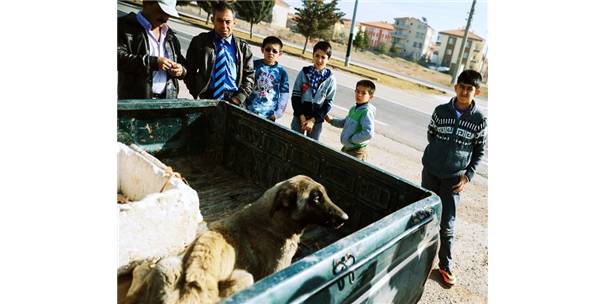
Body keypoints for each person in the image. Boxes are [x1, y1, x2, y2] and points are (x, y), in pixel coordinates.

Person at [421, 69, 487, 286]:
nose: (465, 92)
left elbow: (479, 151)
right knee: (425, 216)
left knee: (447, 225)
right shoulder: (440, 111)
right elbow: (431, 134)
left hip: (453, 180)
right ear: (456, 87)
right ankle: (421, 257)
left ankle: (445, 264)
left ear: (476, 92)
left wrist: (467, 176)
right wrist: (437, 155)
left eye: (470, 89)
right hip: (431, 173)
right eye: (462, 87)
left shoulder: (479, 120)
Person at [184, 1, 254, 106]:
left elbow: (250, 76)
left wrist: (239, 98)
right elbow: (189, 70)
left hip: (233, 100)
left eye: (228, 21)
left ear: (234, 22)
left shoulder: (243, 48)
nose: (224, 26)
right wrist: (196, 90)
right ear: (213, 20)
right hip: (207, 97)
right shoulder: (200, 42)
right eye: (220, 21)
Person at [118, 0, 186, 99]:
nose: (165, 17)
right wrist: (153, 62)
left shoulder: (170, 35)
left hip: (166, 103)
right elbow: (119, 58)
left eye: (168, 13)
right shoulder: (123, 26)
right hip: (135, 103)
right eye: (161, 11)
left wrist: (181, 70)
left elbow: (181, 62)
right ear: (146, 3)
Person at [290, 41, 337, 140]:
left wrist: (313, 120)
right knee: (294, 143)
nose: (319, 60)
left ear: (328, 59)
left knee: (311, 148)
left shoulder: (331, 79)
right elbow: (295, 96)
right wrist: (301, 116)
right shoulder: (304, 73)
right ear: (313, 56)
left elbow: (328, 104)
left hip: (316, 121)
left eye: (323, 57)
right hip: (299, 117)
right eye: (317, 55)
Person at [324, 80, 376, 161]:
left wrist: (352, 140)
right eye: (357, 91)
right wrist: (331, 121)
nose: (359, 95)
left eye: (363, 93)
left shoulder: (366, 112)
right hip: (347, 148)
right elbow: (345, 123)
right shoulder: (354, 109)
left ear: (370, 97)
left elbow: (368, 133)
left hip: (357, 152)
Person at [245, 36, 289, 121]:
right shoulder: (253, 65)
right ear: (262, 50)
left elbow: (284, 94)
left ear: (280, 54)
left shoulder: (281, 72)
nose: (271, 53)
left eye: (275, 51)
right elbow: (244, 83)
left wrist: (278, 113)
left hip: (268, 115)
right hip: (249, 109)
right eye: (268, 49)